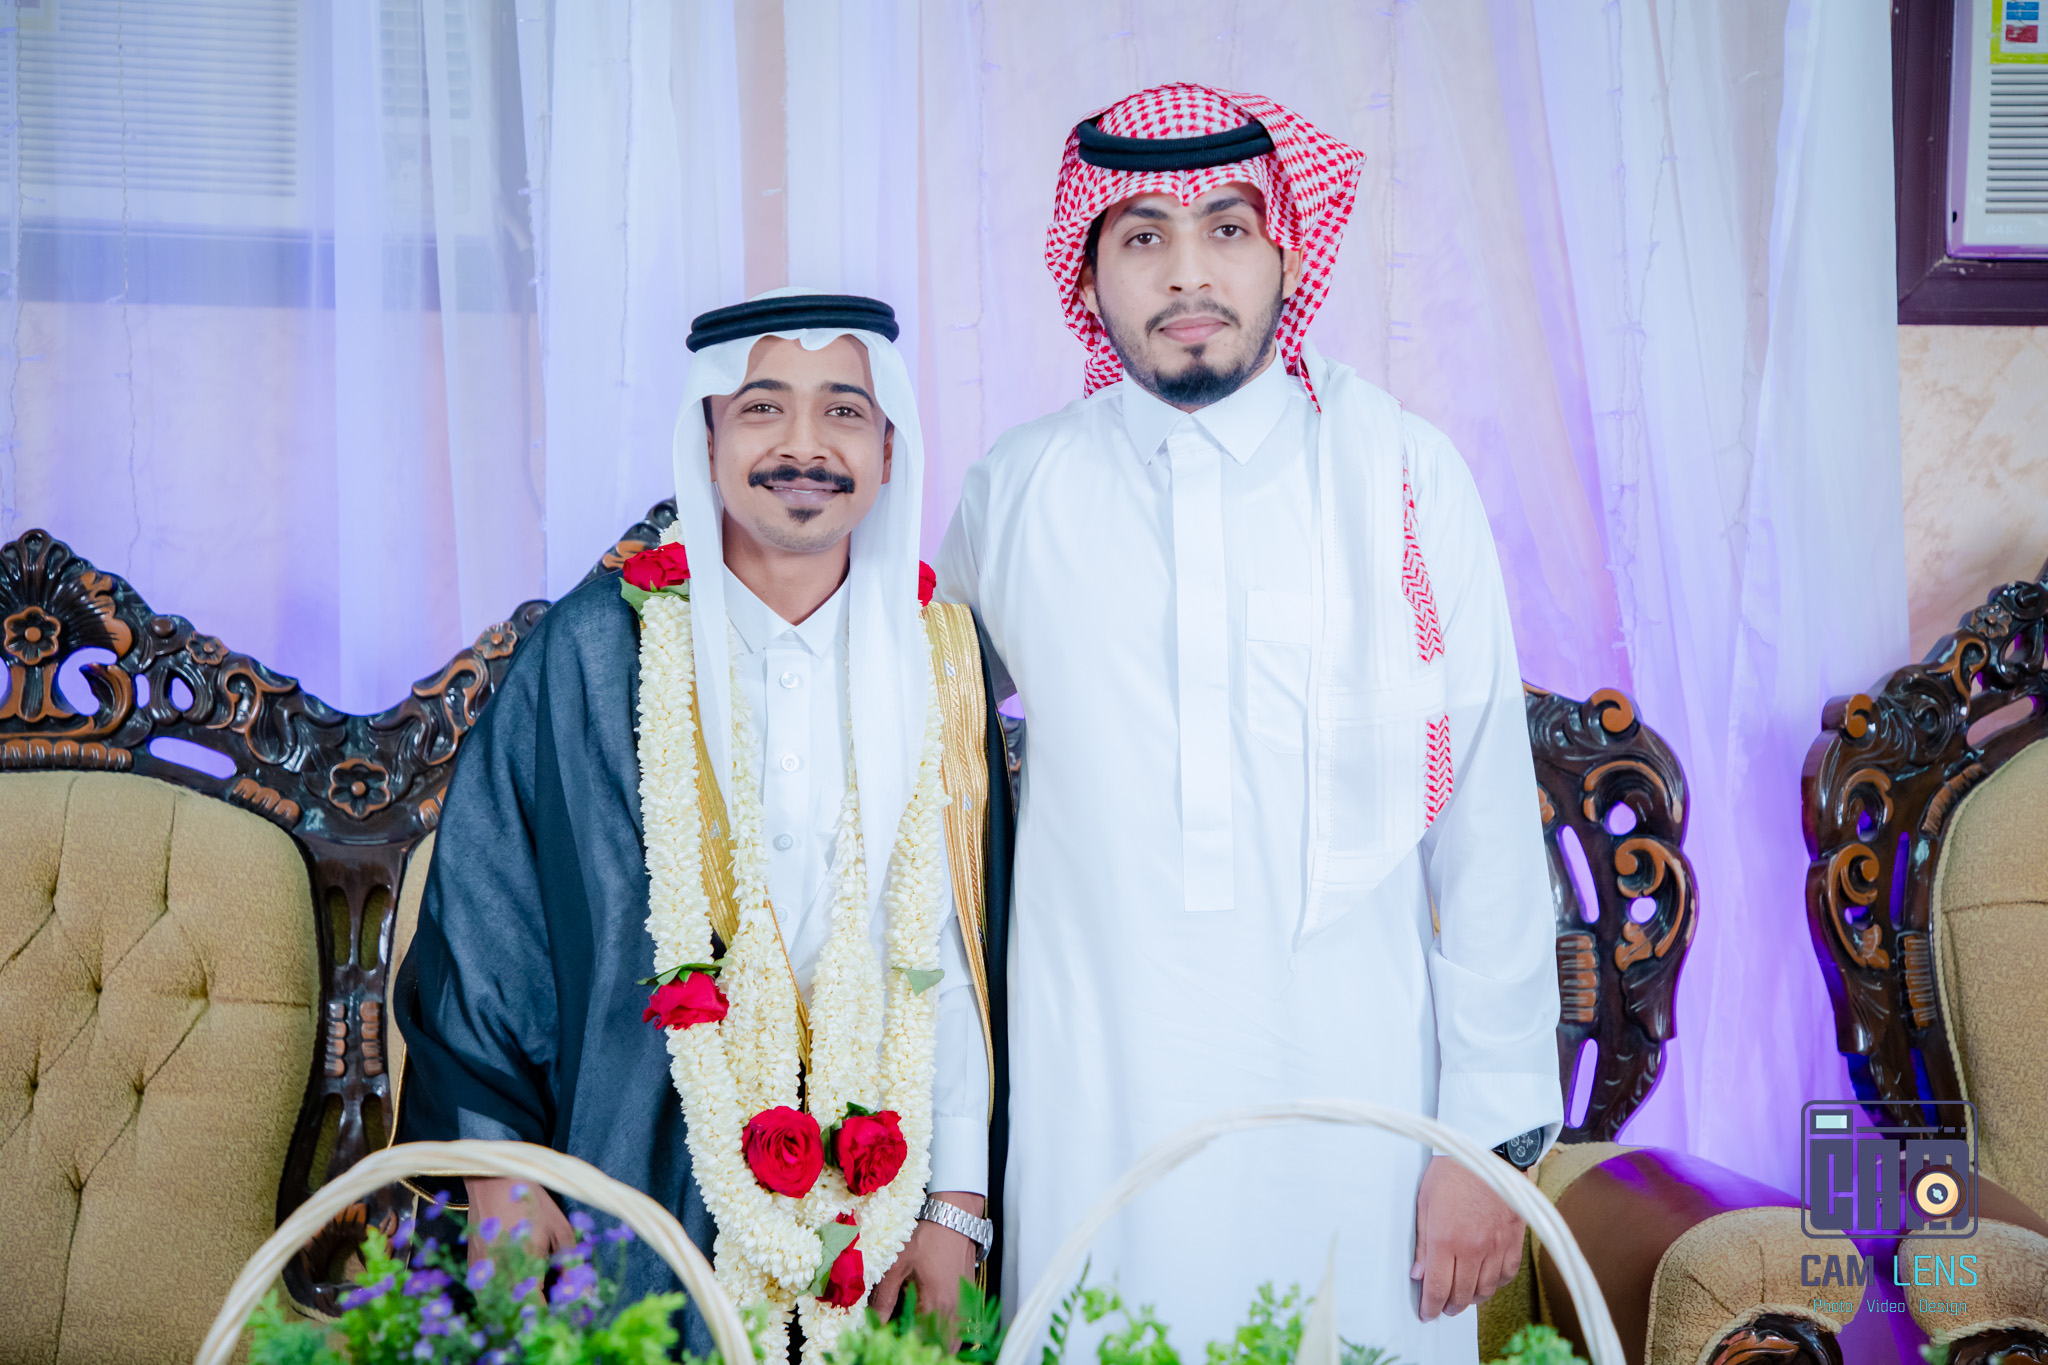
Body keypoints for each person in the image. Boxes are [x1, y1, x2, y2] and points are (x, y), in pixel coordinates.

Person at [935, 86, 1561, 1362]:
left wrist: (1484, 1140)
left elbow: (1487, 826)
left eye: (1226, 228)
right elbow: (926, 805)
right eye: (1142, 237)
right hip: (1095, 1118)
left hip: (1363, 1128)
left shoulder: (1401, 474)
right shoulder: (1017, 490)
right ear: (1087, 273)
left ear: (1287, 248)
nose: (1187, 273)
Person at [396, 289, 1006, 1363]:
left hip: (879, 1194)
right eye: (764, 408)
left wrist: (955, 1207)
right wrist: (498, 1167)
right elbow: (490, 918)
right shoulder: (596, 655)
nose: (805, 445)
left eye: (844, 411)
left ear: (888, 448)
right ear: (710, 437)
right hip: (627, 1171)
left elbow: (952, 962)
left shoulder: (940, 663)